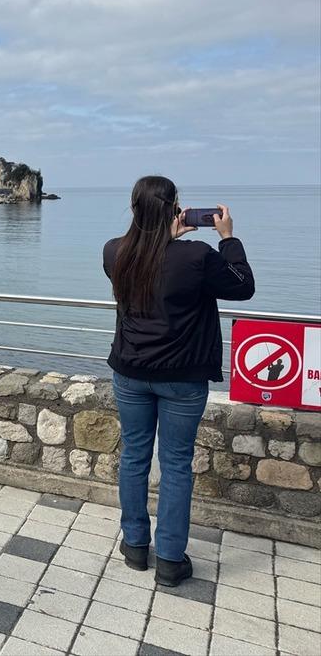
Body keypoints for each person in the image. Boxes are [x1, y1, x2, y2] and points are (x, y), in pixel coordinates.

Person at [104, 176, 254, 588]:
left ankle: (135, 546)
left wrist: (162, 236)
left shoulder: (114, 252)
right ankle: (170, 559)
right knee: (174, 464)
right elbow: (244, 287)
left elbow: (149, 277)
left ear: (135, 210)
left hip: (130, 373)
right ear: (174, 209)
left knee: (134, 457)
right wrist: (228, 237)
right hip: (182, 379)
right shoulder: (197, 257)